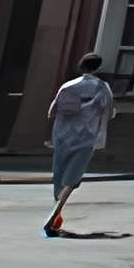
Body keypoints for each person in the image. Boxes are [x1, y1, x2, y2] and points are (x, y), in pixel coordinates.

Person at [45, 54, 112, 238]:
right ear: (98, 68)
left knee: (59, 174)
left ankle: (56, 212)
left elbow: (52, 112)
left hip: (62, 136)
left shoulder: (67, 86)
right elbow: (110, 111)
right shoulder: (102, 87)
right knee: (73, 178)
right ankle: (55, 214)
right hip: (86, 137)